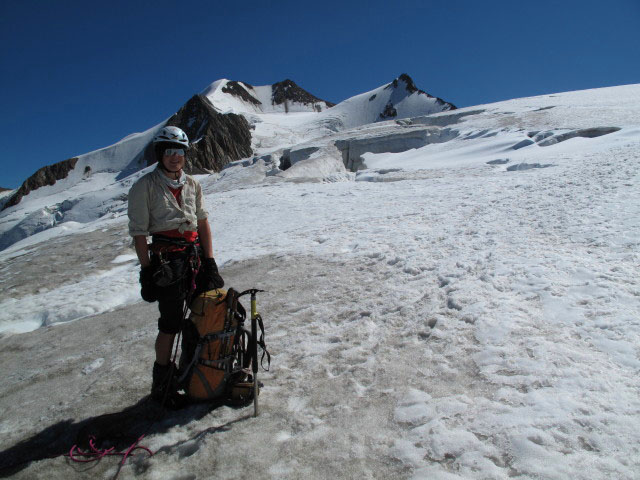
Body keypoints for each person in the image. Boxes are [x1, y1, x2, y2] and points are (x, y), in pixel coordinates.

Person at [127, 126, 224, 401]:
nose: (174, 157)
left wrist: (210, 261)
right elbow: (139, 234)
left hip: (193, 258)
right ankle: (163, 386)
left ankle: (195, 372)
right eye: (169, 152)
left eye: (179, 151)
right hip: (167, 264)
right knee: (170, 325)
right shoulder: (144, 187)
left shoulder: (192, 184)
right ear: (160, 155)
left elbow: (202, 222)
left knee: (202, 315)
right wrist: (147, 272)